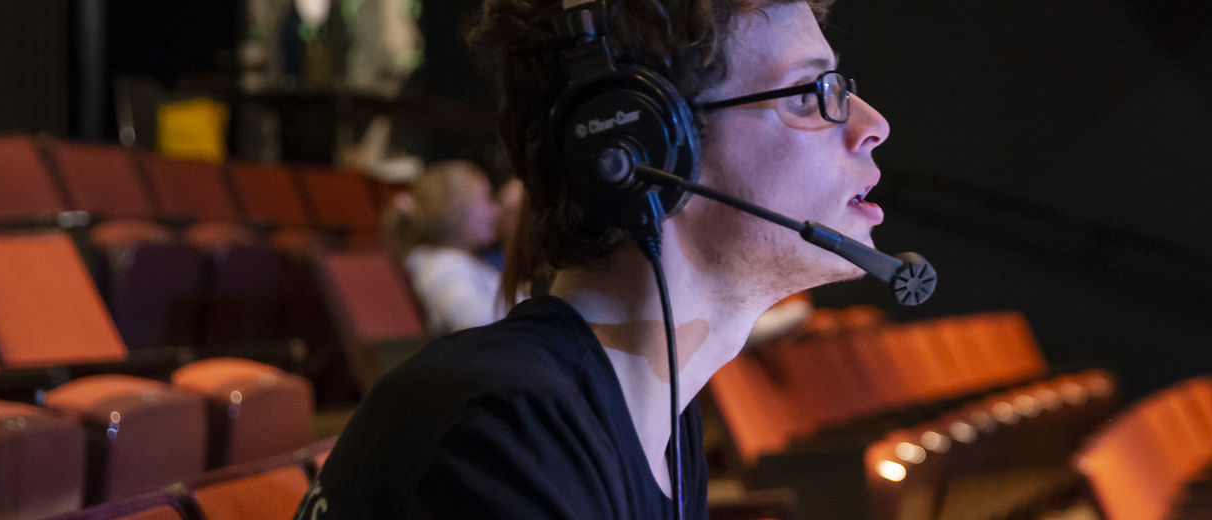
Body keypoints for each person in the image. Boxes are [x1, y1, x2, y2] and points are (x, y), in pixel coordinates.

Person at [297, 0, 887, 516]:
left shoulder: (658, 424)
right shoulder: (504, 438)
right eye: (814, 95)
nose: (873, 125)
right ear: (645, 141)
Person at [382, 160, 506, 335]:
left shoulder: (455, 262)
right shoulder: (443, 267)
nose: (494, 211)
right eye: (485, 200)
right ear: (456, 212)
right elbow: (472, 325)